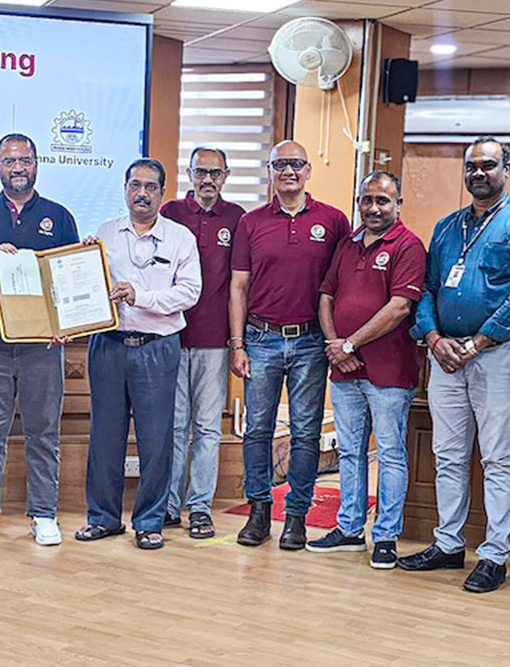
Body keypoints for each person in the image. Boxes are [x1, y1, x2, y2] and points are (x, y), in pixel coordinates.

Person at [401, 136, 510, 593]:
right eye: (472, 167)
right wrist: (433, 338)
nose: (479, 173)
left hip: (496, 355)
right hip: (445, 355)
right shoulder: (448, 227)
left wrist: (480, 340)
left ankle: (493, 555)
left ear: (506, 169)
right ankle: (448, 544)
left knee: (497, 456)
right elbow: (426, 288)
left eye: (488, 165)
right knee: (446, 454)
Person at [229, 141, 351, 550]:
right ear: (269, 171)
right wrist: (237, 343)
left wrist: (338, 339)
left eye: (296, 164)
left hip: (311, 343)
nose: (288, 171)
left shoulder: (333, 221)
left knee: (305, 432)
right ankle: (259, 511)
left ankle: (296, 516)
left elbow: (342, 285)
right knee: (257, 431)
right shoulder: (251, 222)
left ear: (308, 171)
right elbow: (239, 286)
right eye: (280, 164)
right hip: (260, 339)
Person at [76, 159, 201, 550]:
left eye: (150, 186)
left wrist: (141, 297)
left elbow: (189, 292)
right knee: (105, 437)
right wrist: (82, 263)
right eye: (135, 185)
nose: (141, 193)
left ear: (162, 193)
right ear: (124, 188)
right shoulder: (105, 233)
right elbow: (92, 285)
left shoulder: (180, 238)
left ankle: (148, 522)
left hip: (157, 348)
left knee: (156, 440)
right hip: (109, 346)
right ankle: (103, 519)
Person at [0, 133, 80, 547]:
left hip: (42, 344)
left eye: (25, 160)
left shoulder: (59, 217)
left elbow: (68, 278)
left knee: (43, 432)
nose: (17, 168)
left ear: (37, 165)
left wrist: (67, 323)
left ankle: (44, 514)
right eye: (9, 161)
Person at [308, 171, 427, 569]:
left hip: (389, 372)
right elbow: (326, 295)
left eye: (382, 200)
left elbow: (399, 308)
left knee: (390, 454)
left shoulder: (408, 246)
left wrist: (350, 343)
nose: (373, 208)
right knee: (350, 453)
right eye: (367, 200)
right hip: (344, 371)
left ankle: (386, 537)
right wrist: (335, 345)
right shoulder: (348, 243)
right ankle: (349, 529)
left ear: (398, 205)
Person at [160, 146, 245, 539]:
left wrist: (236, 340)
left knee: (208, 428)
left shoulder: (237, 218)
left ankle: (200, 509)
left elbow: (240, 285)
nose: (207, 179)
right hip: (171, 336)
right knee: (174, 426)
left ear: (225, 176)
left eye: (215, 173)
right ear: (189, 174)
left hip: (215, 341)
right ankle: (169, 505)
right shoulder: (170, 213)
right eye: (200, 172)